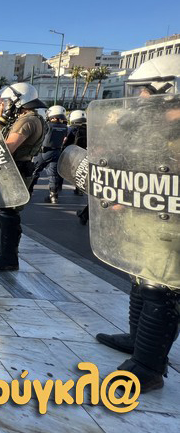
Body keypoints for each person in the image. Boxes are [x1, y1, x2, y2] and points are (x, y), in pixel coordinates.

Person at [74, 54, 180, 392]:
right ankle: (138, 340)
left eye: (145, 92)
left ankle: (148, 367)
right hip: (146, 224)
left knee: (161, 290)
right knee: (139, 278)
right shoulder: (156, 133)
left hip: (170, 230)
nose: (139, 100)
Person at [0, 83, 47, 271]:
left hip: (17, 169)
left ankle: (9, 257)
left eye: (7, 101)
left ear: (19, 100)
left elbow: (6, 148)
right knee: (0, 209)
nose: (5, 104)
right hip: (13, 168)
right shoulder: (26, 118)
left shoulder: (27, 121)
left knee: (8, 213)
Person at [28, 105, 67, 203]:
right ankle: (53, 196)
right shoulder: (65, 127)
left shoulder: (47, 125)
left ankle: (28, 192)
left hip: (43, 152)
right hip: (57, 152)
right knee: (53, 175)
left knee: (34, 172)